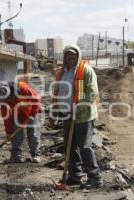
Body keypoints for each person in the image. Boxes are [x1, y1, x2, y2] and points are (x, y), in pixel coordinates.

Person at [52, 44, 102, 189]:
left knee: (84, 146)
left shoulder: (85, 70)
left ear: (78, 55)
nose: (70, 57)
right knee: (70, 146)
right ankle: (75, 176)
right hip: (67, 115)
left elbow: (92, 93)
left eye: (73, 54)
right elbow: (57, 92)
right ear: (64, 56)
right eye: (68, 55)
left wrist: (78, 109)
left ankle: (95, 177)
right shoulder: (61, 73)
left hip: (83, 116)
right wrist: (56, 110)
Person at [0, 81, 42, 163]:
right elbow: (6, 117)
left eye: (8, 99)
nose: (7, 101)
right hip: (18, 113)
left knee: (33, 133)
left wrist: (32, 115)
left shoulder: (23, 88)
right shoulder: (4, 101)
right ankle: (16, 157)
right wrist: (9, 132)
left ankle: (36, 155)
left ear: (12, 94)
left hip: (31, 111)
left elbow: (36, 99)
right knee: (16, 134)